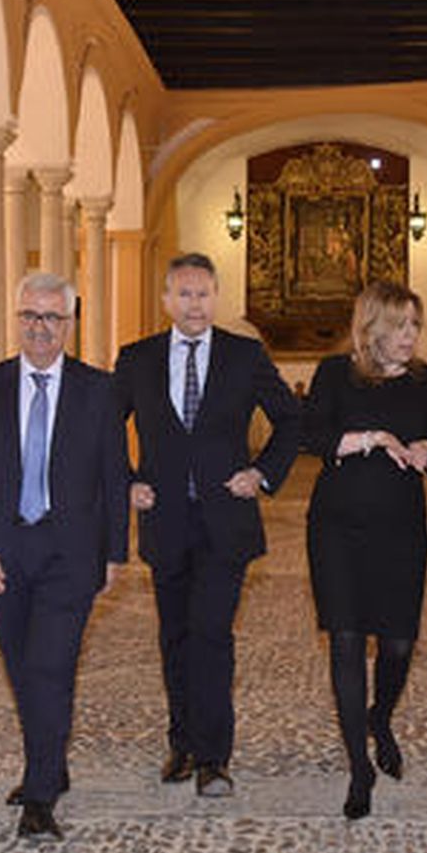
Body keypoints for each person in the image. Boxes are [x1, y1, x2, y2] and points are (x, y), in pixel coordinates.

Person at [113, 253, 302, 796]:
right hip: (165, 520)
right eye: (184, 294)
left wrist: (262, 473)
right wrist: (126, 480)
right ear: (167, 300)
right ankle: (183, 744)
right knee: (174, 634)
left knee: (211, 633)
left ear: (215, 298)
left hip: (225, 520)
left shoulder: (245, 356)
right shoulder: (138, 358)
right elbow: (105, 428)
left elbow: (291, 420)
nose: (194, 304)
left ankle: (214, 757)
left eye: (203, 294)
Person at [0, 272, 128, 841]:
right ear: (16, 318)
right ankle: (49, 759)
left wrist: (115, 553)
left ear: (70, 325)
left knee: (51, 668)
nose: (41, 328)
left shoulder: (98, 390)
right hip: (1, 553)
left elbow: (113, 477)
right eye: (31, 316)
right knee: (24, 670)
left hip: (69, 553)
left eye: (52, 318)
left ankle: (40, 793)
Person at [303, 281, 427, 819]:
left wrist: (426, 450)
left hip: (401, 529)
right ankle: (358, 767)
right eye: (401, 325)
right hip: (338, 527)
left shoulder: (425, 379)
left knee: (397, 644)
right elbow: (313, 436)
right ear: (373, 328)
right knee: (346, 639)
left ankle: (381, 716)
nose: (411, 335)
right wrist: (374, 438)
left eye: (415, 324)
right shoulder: (333, 374)